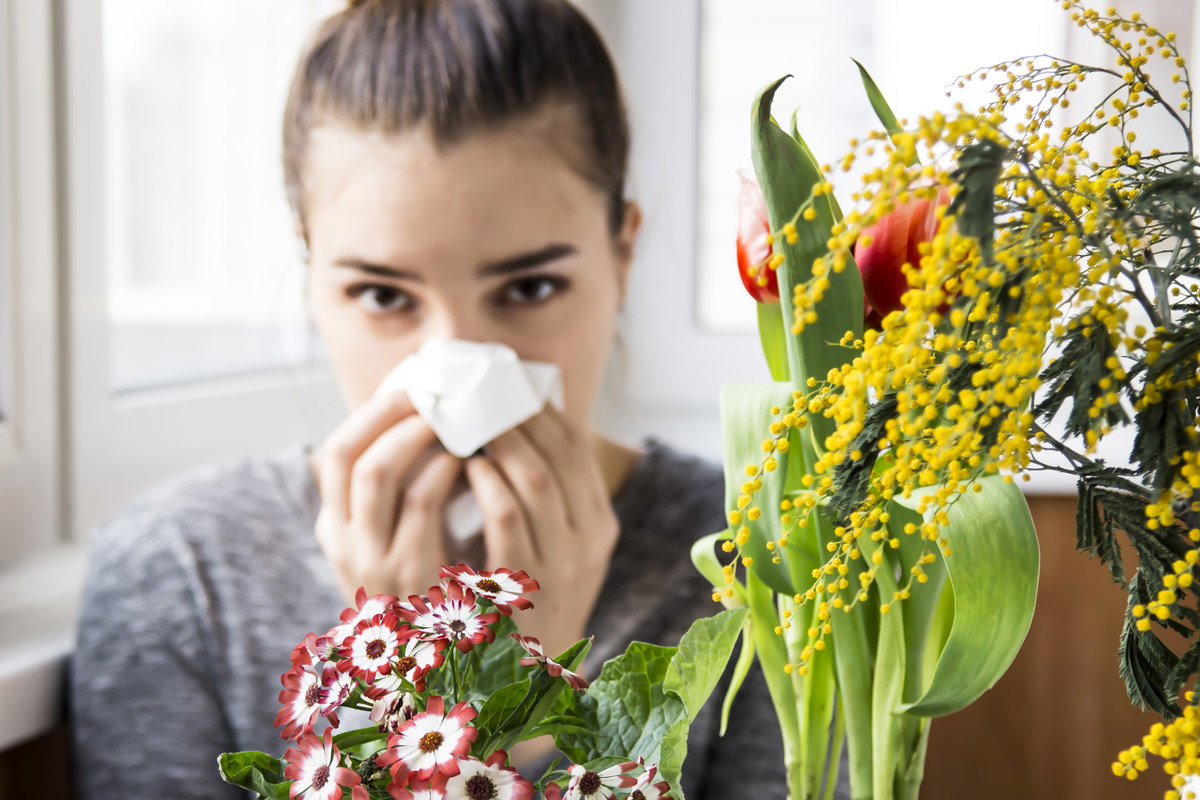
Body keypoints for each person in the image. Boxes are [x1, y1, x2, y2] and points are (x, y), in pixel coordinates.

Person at [70, 1, 850, 798]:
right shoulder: (182, 577)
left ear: (622, 254)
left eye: (530, 286)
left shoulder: (756, 566)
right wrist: (432, 711)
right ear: (311, 273)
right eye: (381, 294)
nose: (454, 363)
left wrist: (541, 700)